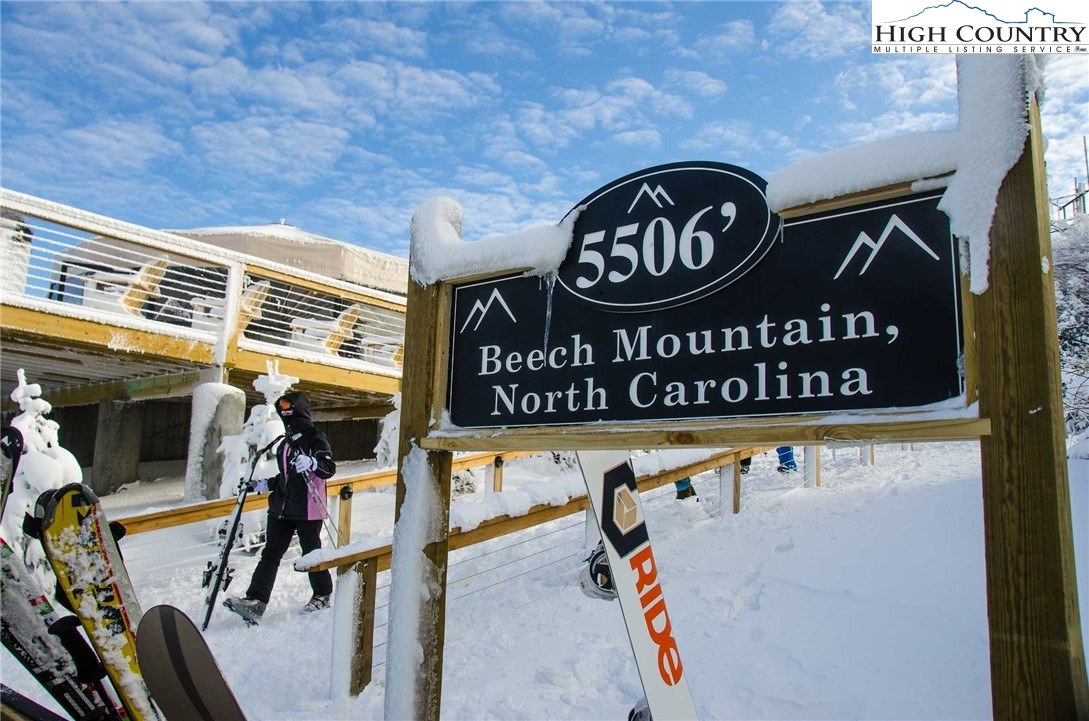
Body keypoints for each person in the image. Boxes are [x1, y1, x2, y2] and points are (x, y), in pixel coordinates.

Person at [225, 392, 335, 624]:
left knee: (311, 553)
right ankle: (256, 601)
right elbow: (285, 477)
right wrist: (263, 484)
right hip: (281, 508)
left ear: (300, 410)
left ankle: (322, 594)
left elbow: (328, 468)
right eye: (282, 410)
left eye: (289, 409)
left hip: (307, 508)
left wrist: (312, 462)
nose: (285, 414)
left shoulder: (315, 437)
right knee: (271, 554)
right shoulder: (284, 443)